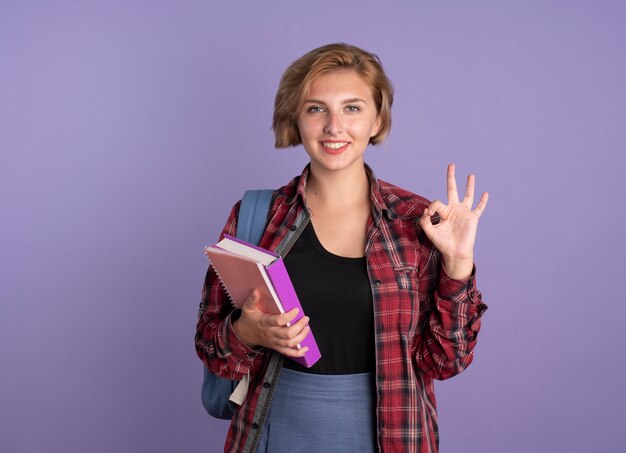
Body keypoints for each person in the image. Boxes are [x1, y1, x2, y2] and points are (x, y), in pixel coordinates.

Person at [195, 43, 489, 453]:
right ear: (295, 120)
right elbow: (211, 345)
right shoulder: (258, 216)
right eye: (316, 109)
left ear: (377, 120)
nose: (334, 126)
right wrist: (247, 331)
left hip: (391, 438)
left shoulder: (418, 222)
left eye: (352, 108)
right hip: (273, 435)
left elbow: (445, 361)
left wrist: (458, 265)